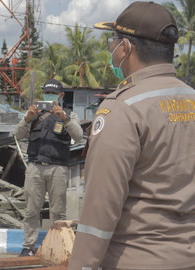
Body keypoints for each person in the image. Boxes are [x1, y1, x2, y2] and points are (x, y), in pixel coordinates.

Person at [68, 2, 195, 270]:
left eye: (112, 42)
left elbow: (101, 207)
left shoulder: (123, 108)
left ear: (125, 48)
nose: (111, 50)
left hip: (138, 258)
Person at [14, 78, 83, 256]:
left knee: (58, 212)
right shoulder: (34, 114)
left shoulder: (69, 115)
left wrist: (64, 118)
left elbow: (79, 135)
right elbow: (18, 134)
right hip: (35, 167)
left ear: (61, 96)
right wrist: (27, 118)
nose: (49, 96)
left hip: (58, 168)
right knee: (31, 210)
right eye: (46, 93)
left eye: (53, 94)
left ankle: (60, 246)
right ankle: (28, 246)